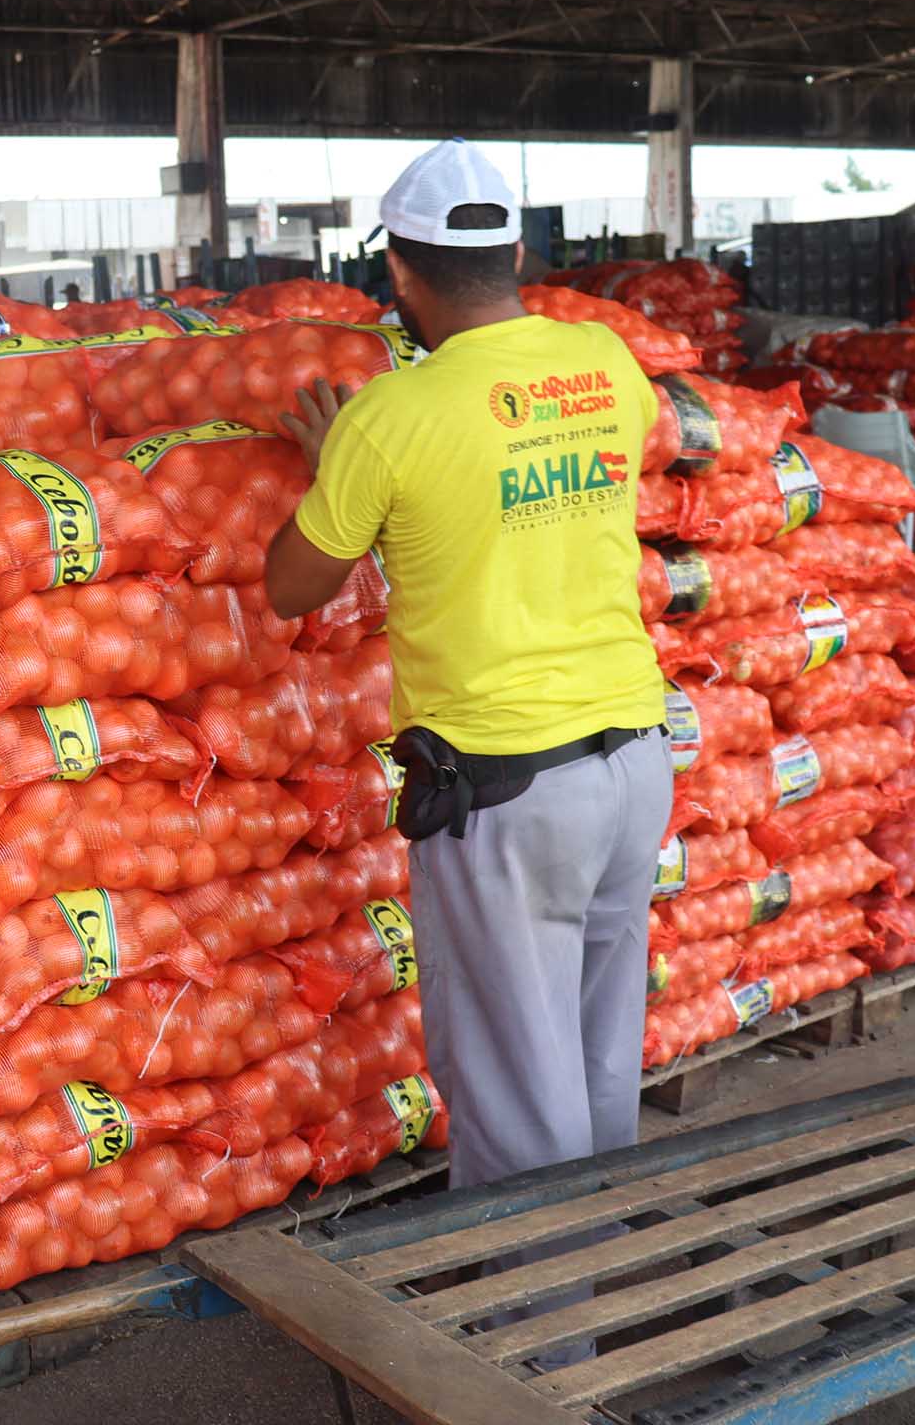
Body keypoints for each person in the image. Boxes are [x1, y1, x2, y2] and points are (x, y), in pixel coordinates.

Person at [263, 139, 671, 1212]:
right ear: (518, 250)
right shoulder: (608, 367)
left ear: (399, 271)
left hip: (508, 787)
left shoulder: (391, 418)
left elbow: (293, 586)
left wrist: (333, 469)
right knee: (595, 1066)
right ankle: (615, 1307)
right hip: (634, 761)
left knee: (516, 1098)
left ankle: (541, 1356)